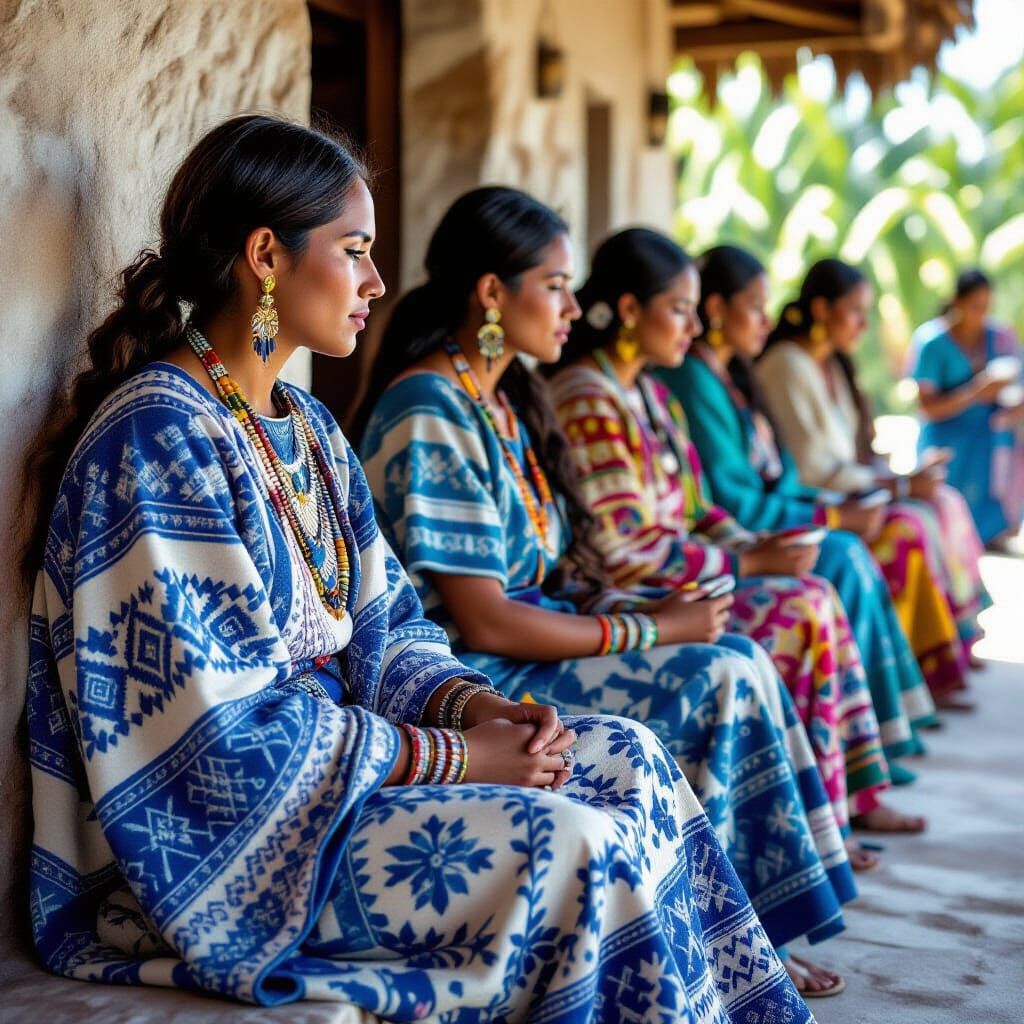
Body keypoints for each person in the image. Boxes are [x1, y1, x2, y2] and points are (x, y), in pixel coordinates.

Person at [23, 116, 813, 1022]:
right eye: (354, 251)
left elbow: (391, 627)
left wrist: (482, 708)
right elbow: (213, 746)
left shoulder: (307, 430)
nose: (376, 281)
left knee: (629, 756)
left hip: (345, 773)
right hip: (234, 850)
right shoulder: (158, 438)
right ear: (267, 257)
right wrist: (456, 754)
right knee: (568, 843)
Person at [360, 186, 856, 997]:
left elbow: (552, 575)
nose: (573, 305)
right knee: (715, 673)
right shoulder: (430, 406)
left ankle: (742, 929)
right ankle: (724, 942)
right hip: (467, 680)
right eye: (555, 286)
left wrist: (647, 613)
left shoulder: (501, 396)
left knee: (729, 650)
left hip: (527, 635)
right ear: (493, 293)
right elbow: (483, 618)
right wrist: (650, 630)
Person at [548, 228, 895, 854]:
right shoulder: (586, 395)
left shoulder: (649, 392)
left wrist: (760, 546)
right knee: (798, 609)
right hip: (628, 591)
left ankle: (828, 820)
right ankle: (790, 840)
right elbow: (619, 548)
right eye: (679, 310)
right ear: (630, 311)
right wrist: (747, 561)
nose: (691, 326)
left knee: (808, 585)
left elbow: (700, 508)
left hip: (677, 574)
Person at [661, 245, 937, 793]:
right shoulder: (691, 379)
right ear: (717, 309)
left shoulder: (732, 374)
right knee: (839, 555)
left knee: (853, 543)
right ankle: (854, 767)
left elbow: (779, 475)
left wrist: (829, 509)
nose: (768, 318)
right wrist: (822, 517)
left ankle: (869, 749)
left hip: (750, 524)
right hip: (736, 532)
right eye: (755, 306)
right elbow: (730, 496)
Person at [753, 259, 986, 705]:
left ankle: (940, 656)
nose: (863, 323)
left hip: (843, 493)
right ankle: (905, 684)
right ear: (822, 309)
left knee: (943, 502)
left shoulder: (830, 365)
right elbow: (813, 468)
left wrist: (897, 480)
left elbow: (844, 458)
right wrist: (897, 487)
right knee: (905, 527)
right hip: (812, 500)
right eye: (855, 311)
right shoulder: (786, 365)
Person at [910, 268, 1024, 550]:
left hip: (988, 442)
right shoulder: (932, 342)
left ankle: (992, 536)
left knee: (989, 512)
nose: (981, 314)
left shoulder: (1000, 337)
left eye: (986, 307)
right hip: (946, 442)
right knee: (946, 519)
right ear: (956, 302)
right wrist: (976, 391)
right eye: (975, 306)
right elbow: (927, 407)